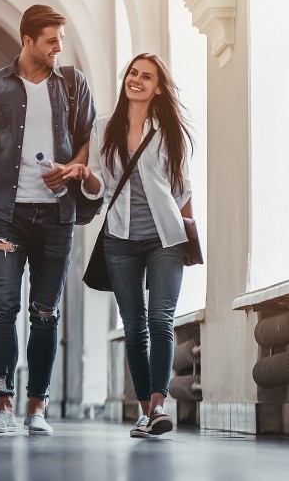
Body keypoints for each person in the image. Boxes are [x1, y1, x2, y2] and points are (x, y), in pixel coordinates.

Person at [0, 5, 96, 436]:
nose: (58, 48)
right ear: (28, 40)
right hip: (6, 215)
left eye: (61, 40)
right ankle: (3, 405)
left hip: (57, 215)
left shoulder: (73, 85)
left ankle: (37, 407)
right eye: (51, 40)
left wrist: (71, 169)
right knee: (2, 307)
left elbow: (89, 141)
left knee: (45, 312)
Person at [62, 53, 193, 438]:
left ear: (158, 87)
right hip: (120, 239)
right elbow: (100, 186)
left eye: (146, 76)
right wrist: (86, 175)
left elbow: (182, 188)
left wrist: (191, 235)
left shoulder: (169, 129)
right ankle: (143, 411)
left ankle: (159, 405)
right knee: (135, 328)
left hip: (165, 238)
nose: (136, 80)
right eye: (133, 73)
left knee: (161, 320)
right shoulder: (104, 128)